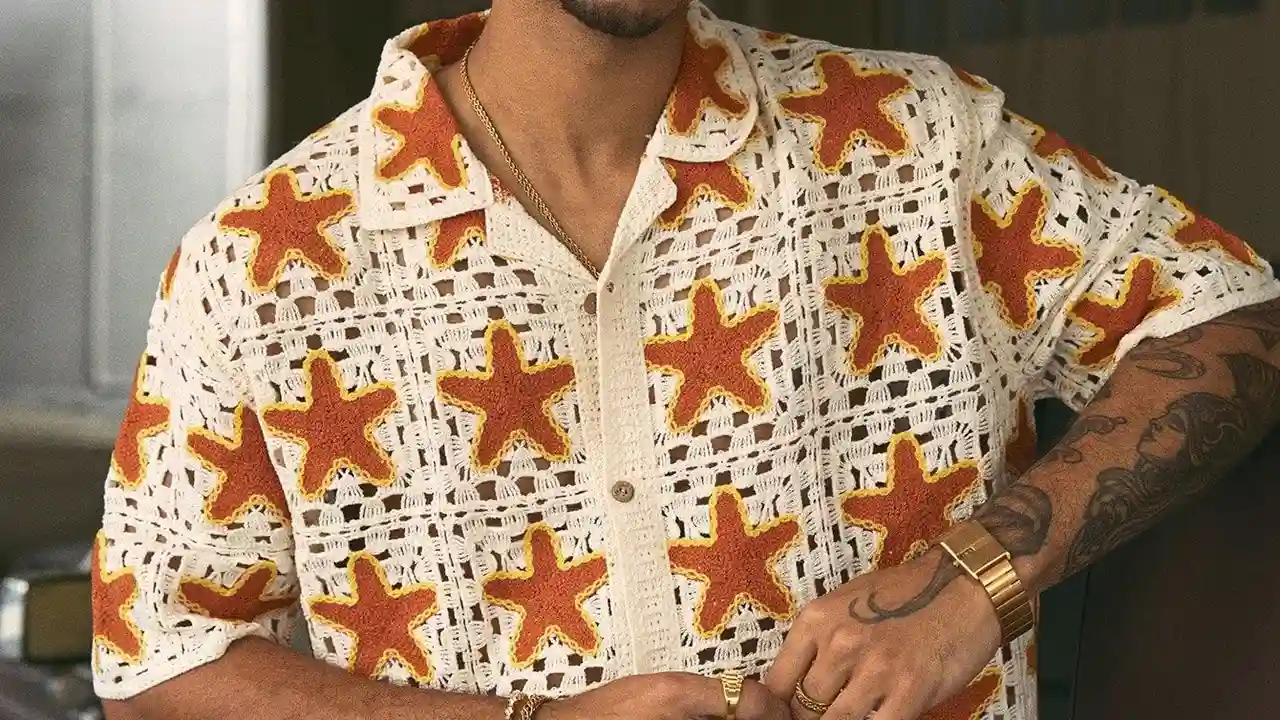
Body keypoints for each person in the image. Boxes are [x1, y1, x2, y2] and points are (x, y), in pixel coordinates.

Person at [90, 0, 1280, 719]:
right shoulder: (260, 260)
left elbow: (1231, 314)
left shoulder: (917, 141)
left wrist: (978, 579)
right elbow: (159, 655)